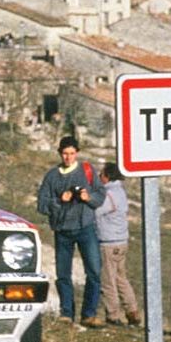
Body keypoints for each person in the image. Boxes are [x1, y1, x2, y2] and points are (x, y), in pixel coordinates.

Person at [37, 136, 105, 327]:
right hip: (63, 230)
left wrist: (87, 197)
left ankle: (89, 314)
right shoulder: (52, 176)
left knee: (94, 272)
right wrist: (60, 200)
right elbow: (42, 205)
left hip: (86, 227)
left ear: (77, 153)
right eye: (65, 154)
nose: (68, 157)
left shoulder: (88, 171)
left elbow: (100, 195)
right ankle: (66, 313)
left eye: (72, 153)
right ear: (60, 153)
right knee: (63, 275)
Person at [95, 163, 140, 327]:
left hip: (109, 242)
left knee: (108, 280)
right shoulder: (120, 191)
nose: (99, 177)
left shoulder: (109, 194)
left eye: (101, 174)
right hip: (121, 241)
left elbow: (97, 211)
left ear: (107, 176)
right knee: (121, 278)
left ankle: (113, 315)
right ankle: (132, 310)